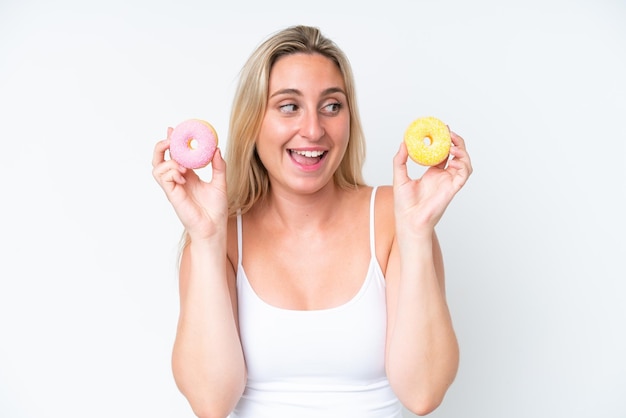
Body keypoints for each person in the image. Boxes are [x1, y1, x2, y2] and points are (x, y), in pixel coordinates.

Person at [152, 24, 472, 418]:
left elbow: (423, 393)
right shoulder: (220, 235)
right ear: (253, 121)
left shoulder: (395, 218)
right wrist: (205, 239)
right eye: (289, 106)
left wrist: (418, 233)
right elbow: (210, 402)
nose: (314, 129)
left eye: (332, 106)